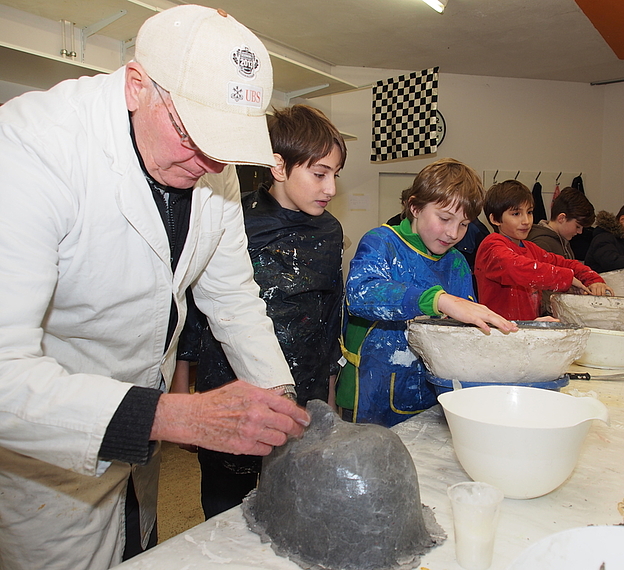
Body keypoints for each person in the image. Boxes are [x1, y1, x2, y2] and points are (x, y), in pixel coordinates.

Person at [0, 6, 310, 570]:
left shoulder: (208, 162)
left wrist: (278, 401)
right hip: (49, 441)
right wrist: (178, 417)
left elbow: (233, 296)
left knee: (138, 549)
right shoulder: (31, 147)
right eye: (196, 134)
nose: (212, 160)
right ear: (137, 85)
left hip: (142, 432)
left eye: (226, 142)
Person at [177, 104, 347, 519]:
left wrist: (326, 391)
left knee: (292, 503)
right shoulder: (235, 221)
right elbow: (198, 311)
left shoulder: (329, 230)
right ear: (278, 166)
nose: (330, 189)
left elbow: (329, 311)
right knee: (225, 506)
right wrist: (181, 389)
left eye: (335, 176)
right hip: (231, 382)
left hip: (302, 382)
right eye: (319, 173)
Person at [336, 158, 517, 428]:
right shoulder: (382, 242)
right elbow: (361, 295)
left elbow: (467, 334)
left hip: (431, 395)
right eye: (444, 218)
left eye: (464, 224)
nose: (453, 232)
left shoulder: (456, 263)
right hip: (371, 393)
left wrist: (523, 332)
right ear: (415, 207)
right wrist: (438, 300)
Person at [475, 180, 613, 321]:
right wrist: (566, 278)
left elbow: (566, 264)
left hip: (526, 330)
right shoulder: (491, 246)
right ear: (495, 219)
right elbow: (518, 268)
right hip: (499, 334)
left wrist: (593, 280)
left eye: (529, 212)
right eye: (516, 214)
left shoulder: (530, 248)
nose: (526, 221)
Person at [527, 187, 601, 314]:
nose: (580, 232)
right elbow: (540, 291)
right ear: (561, 218)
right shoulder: (541, 243)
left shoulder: (563, 241)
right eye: (577, 226)